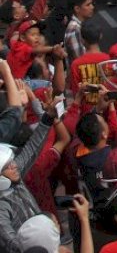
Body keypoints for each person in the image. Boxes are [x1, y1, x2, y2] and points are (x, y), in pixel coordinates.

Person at [0, 101, 59, 253]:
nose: (14, 166)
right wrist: (45, 237)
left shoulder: (15, 176)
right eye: (7, 167)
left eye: (11, 161)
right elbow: (12, 244)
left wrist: (48, 118)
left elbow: (33, 147)